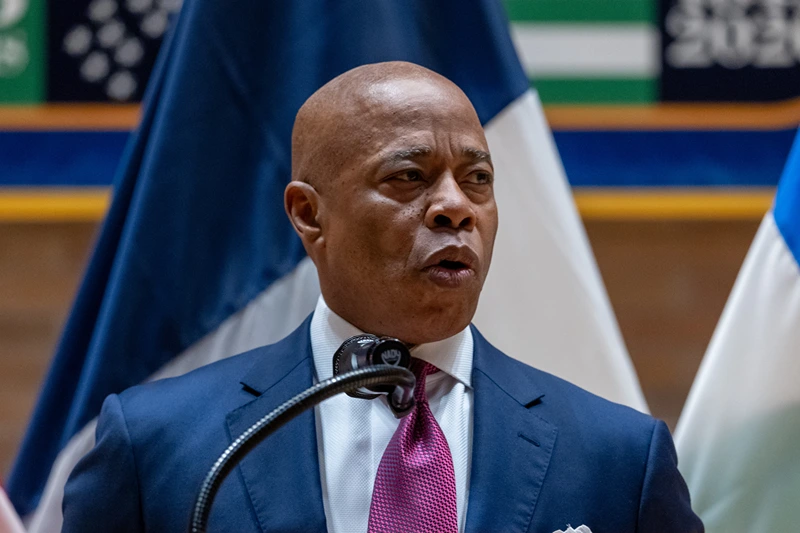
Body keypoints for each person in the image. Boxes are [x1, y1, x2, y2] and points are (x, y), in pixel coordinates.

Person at [61, 62, 703, 533]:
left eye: (477, 179)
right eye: (408, 177)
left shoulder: (617, 458)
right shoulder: (159, 446)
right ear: (309, 216)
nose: (456, 207)